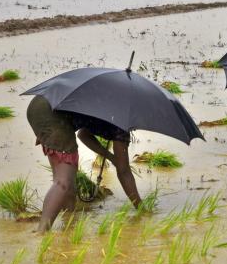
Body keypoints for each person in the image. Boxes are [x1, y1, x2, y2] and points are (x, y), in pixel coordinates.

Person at [26, 95, 78, 232]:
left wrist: (45, 134)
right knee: (63, 182)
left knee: (68, 180)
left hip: (38, 106)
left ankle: (70, 221)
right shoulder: (115, 112)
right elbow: (84, 135)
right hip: (51, 114)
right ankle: (41, 231)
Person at [72, 115, 142, 208]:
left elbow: (82, 134)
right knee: (123, 170)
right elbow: (123, 171)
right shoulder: (122, 124)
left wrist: (110, 157)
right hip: (119, 122)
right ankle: (140, 208)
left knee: (122, 168)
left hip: (107, 116)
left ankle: (69, 207)